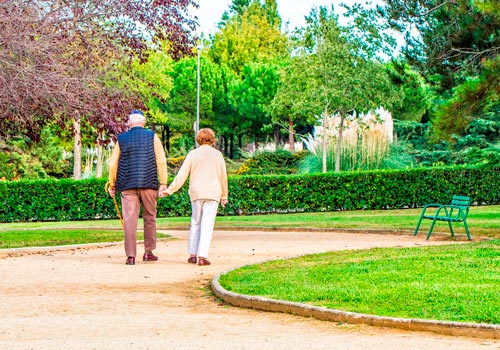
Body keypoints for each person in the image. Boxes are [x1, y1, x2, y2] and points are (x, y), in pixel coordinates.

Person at [108, 110, 168, 265]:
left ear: (129, 123)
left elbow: (113, 164)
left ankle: (131, 256)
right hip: (149, 183)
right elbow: (161, 161)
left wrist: (112, 183)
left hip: (127, 184)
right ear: (143, 122)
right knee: (150, 217)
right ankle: (148, 252)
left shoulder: (121, 139)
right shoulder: (152, 136)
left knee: (129, 220)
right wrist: (163, 183)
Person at [161, 128, 228, 266]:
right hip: (212, 193)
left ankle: (192, 254)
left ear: (199, 139)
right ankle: (202, 256)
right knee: (207, 224)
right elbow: (223, 177)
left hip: (196, 192)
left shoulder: (193, 154)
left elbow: (182, 174)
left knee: (195, 222)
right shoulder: (218, 155)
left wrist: (170, 189)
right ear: (212, 139)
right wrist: (224, 195)